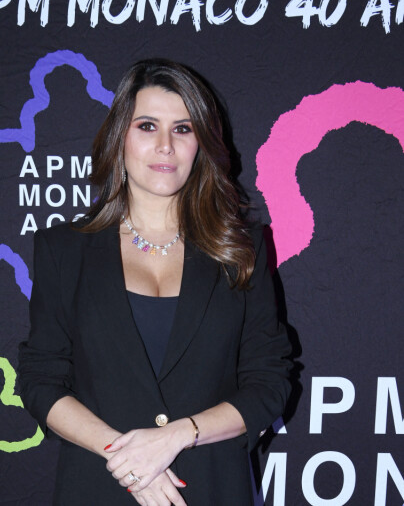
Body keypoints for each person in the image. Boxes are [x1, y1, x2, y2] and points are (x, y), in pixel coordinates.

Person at [18, 59, 292, 505]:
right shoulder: (63, 250)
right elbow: (40, 380)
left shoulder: (242, 249)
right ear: (120, 138)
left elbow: (270, 381)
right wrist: (129, 462)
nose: (165, 145)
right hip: (98, 487)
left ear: (200, 143)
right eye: (147, 126)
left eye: (183, 129)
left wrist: (176, 437)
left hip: (211, 489)